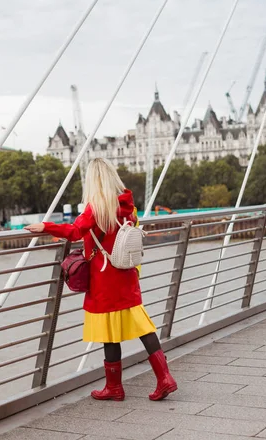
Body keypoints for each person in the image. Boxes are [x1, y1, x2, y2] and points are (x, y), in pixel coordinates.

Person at [25, 158, 177, 402]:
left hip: (104, 277)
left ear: (93, 181)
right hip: (127, 274)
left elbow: (75, 231)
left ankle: (114, 387)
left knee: (109, 333)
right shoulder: (129, 206)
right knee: (144, 327)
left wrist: (45, 226)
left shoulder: (97, 208)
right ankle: (165, 377)